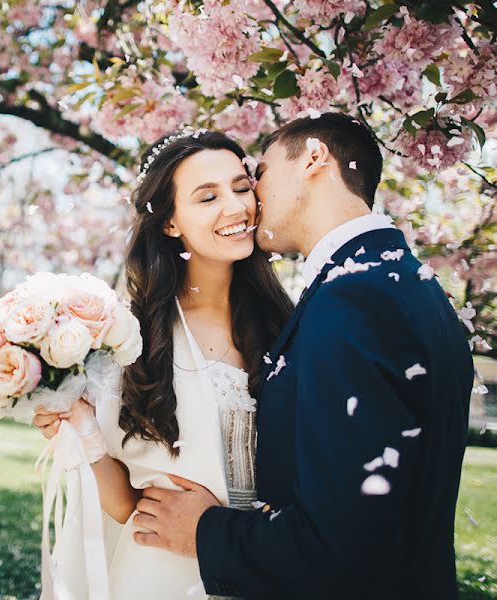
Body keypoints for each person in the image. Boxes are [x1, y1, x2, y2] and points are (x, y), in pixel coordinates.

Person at [133, 113, 474, 600]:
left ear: (313, 157)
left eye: (261, 174)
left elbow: (342, 544)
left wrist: (207, 533)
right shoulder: (407, 284)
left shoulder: (354, 300)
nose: (253, 197)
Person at [32, 129, 293, 599]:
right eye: (207, 197)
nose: (235, 208)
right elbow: (126, 503)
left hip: (265, 566)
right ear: (170, 222)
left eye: (240, 187)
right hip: (161, 573)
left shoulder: (285, 323)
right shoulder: (133, 336)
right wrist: (84, 431)